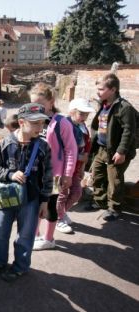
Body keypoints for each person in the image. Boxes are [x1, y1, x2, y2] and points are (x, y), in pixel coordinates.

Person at [0, 103, 53, 282]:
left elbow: (48, 176)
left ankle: (20, 266)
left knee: (26, 234)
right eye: (36, 123)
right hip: (6, 197)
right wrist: (9, 174)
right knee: (0, 232)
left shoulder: (43, 147)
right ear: (22, 122)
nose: (40, 127)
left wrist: (45, 201)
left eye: (42, 123)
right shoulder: (5, 143)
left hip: (31, 198)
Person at [29, 83, 78, 251]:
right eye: (33, 105)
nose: (37, 108)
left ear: (51, 102)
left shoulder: (61, 123)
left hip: (54, 174)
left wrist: (68, 174)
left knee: (50, 207)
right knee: (34, 206)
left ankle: (49, 239)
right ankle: (34, 235)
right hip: (35, 173)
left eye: (41, 105)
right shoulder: (33, 119)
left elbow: (71, 150)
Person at [89, 73, 137, 221]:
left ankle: (115, 208)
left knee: (114, 180)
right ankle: (100, 201)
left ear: (113, 89)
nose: (98, 91)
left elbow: (129, 131)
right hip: (102, 149)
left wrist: (121, 151)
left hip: (117, 152)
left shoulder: (124, 107)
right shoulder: (104, 104)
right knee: (96, 174)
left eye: (101, 89)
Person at [54, 98, 94, 232]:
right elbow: (62, 149)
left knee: (77, 193)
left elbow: (87, 149)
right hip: (65, 168)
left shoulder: (83, 128)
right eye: (81, 114)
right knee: (62, 194)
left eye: (86, 115)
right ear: (72, 112)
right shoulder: (66, 126)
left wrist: (82, 167)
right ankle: (58, 219)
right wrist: (78, 157)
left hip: (76, 168)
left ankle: (61, 213)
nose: (85, 117)